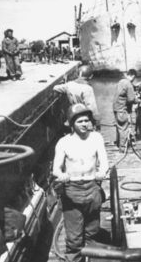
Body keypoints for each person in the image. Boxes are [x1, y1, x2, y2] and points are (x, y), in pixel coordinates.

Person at [52, 103, 109, 262]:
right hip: (72, 191)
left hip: (92, 188)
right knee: (74, 238)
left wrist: (102, 171)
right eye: (80, 121)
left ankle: (91, 258)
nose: (85, 124)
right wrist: (61, 175)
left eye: (86, 120)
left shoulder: (97, 138)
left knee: (92, 231)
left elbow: (104, 161)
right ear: (71, 124)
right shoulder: (63, 143)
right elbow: (56, 169)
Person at [53, 65, 101, 131]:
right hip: (84, 118)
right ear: (91, 76)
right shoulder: (88, 88)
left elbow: (55, 88)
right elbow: (92, 108)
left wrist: (64, 81)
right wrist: (97, 122)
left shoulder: (69, 85)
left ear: (78, 75)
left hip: (73, 116)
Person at [112, 69, 139, 152]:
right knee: (124, 128)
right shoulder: (129, 84)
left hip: (116, 108)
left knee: (119, 127)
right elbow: (131, 99)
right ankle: (123, 148)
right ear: (133, 76)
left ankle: (119, 143)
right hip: (122, 109)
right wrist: (137, 100)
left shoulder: (121, 81)